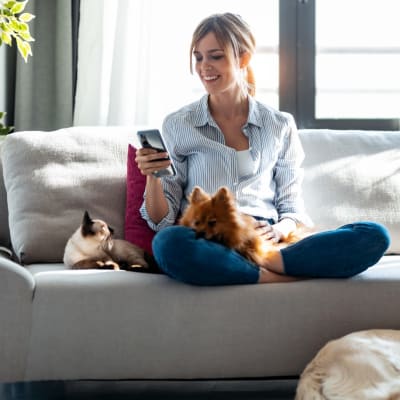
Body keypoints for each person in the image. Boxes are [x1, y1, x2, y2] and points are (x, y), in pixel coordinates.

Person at [134, 13, 390, 285]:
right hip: (207, 238)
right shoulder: (179, 124)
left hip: (265, 240)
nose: (204, 66)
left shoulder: (279, 124)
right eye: (198, 57)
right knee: (167, 242)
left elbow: (292, 208)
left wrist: (278, 231)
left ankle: (264, 263)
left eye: (216, 56)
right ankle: (270, 275)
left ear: (243, 58)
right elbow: (161, 221)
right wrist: (152, 175)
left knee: (373, 235)